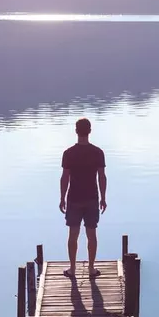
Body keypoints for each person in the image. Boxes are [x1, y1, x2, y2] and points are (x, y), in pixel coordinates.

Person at [59, 117, 107, 278]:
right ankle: (91, 269)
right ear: (90, 131)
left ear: (76, 131)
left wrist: (62, 198)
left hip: (73, 198)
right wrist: (103, 198)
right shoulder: (98, 152)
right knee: (91, 235)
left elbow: (65, 177)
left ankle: (72, 269)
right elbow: (102, 177)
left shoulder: (69, 153)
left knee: (73, 234)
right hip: (92, 198)